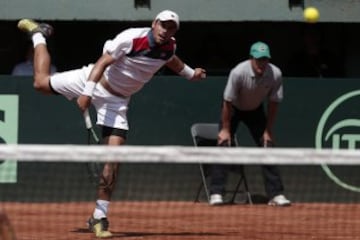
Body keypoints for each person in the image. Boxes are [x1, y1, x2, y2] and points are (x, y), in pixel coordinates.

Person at [17, 10, 206, 238]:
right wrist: (87, 92)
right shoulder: (131, 38)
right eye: (163, 25)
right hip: (93, 81)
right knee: (40, 84)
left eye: (172, 27)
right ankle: (38, 35)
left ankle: (99, 217)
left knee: (113, 161)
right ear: (154, 23)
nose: (166, 31)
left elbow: (172, 61)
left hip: (117, 103)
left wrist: (190, 74)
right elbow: (102, 63)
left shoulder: (169, 47)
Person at [208, 41, 291, 207]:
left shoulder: (275, 74)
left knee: (267, 146)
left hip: (256, 110)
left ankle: (276, 194)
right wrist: (225, 129)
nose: (262, 63)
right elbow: (227, 101)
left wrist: (268, 130)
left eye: (265, 59)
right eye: (258, 59)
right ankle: (216, 193)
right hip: (234, 110)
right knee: (223, 145)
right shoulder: (239, 72)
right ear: (251, 58)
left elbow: (274, 103)